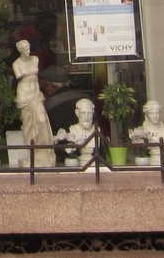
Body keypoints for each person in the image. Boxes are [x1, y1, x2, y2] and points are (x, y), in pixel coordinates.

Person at [12, 39, 55, 167]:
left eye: (29, 48)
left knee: (42, 119)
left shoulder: (35, 59)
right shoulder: (16, 64)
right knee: (28, 125)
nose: (28, 51)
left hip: (36, 95)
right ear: (20, 50)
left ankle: (44, 152)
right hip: (25, 95)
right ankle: (33, 153)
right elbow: (18, 75)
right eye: (26, 49)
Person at [55, 97, 99, 164]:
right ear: (77, 113)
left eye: (89, 113)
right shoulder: (73, 130)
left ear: (93, 113)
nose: (86, 117)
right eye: (83, 113)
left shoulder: (97, 129)